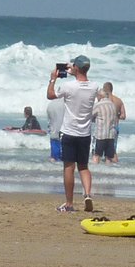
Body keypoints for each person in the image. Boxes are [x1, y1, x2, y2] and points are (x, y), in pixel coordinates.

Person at [47, 54, 99, 213]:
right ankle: (87, 195)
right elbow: (82, 77)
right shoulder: (94, 86)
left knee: (68, 167)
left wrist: (52, 79)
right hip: (85, 133)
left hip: (69, 132)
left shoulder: (68, 87)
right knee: (83, 166)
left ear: (76, 67)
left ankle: (69, 203)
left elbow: (50, 95)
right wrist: (74, 70)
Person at [101, 81, 126, 162]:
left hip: (103, 127)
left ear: (104, 90)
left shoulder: (102, 101)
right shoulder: (119, 100)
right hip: (114, 127)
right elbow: (123, 116)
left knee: (98, 151)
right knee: (113, 150)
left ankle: (104, 167)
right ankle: (115, 167)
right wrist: (116, 115)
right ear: (112, 89)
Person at [92, 89, 118, 164]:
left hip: (101, 134)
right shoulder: (112, 104)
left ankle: (96, 171)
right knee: (108, 157)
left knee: (97, 155)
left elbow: (90, 116)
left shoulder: (98, 105)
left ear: (100, 96)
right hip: (111, 134)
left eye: (97, 96)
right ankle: (108, 172)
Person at [46, 95, 65, 161]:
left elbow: (49, 121)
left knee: (54, 158)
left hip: (54, 133)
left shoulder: (51, 104)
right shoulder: (67, 104)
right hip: (66, 133)